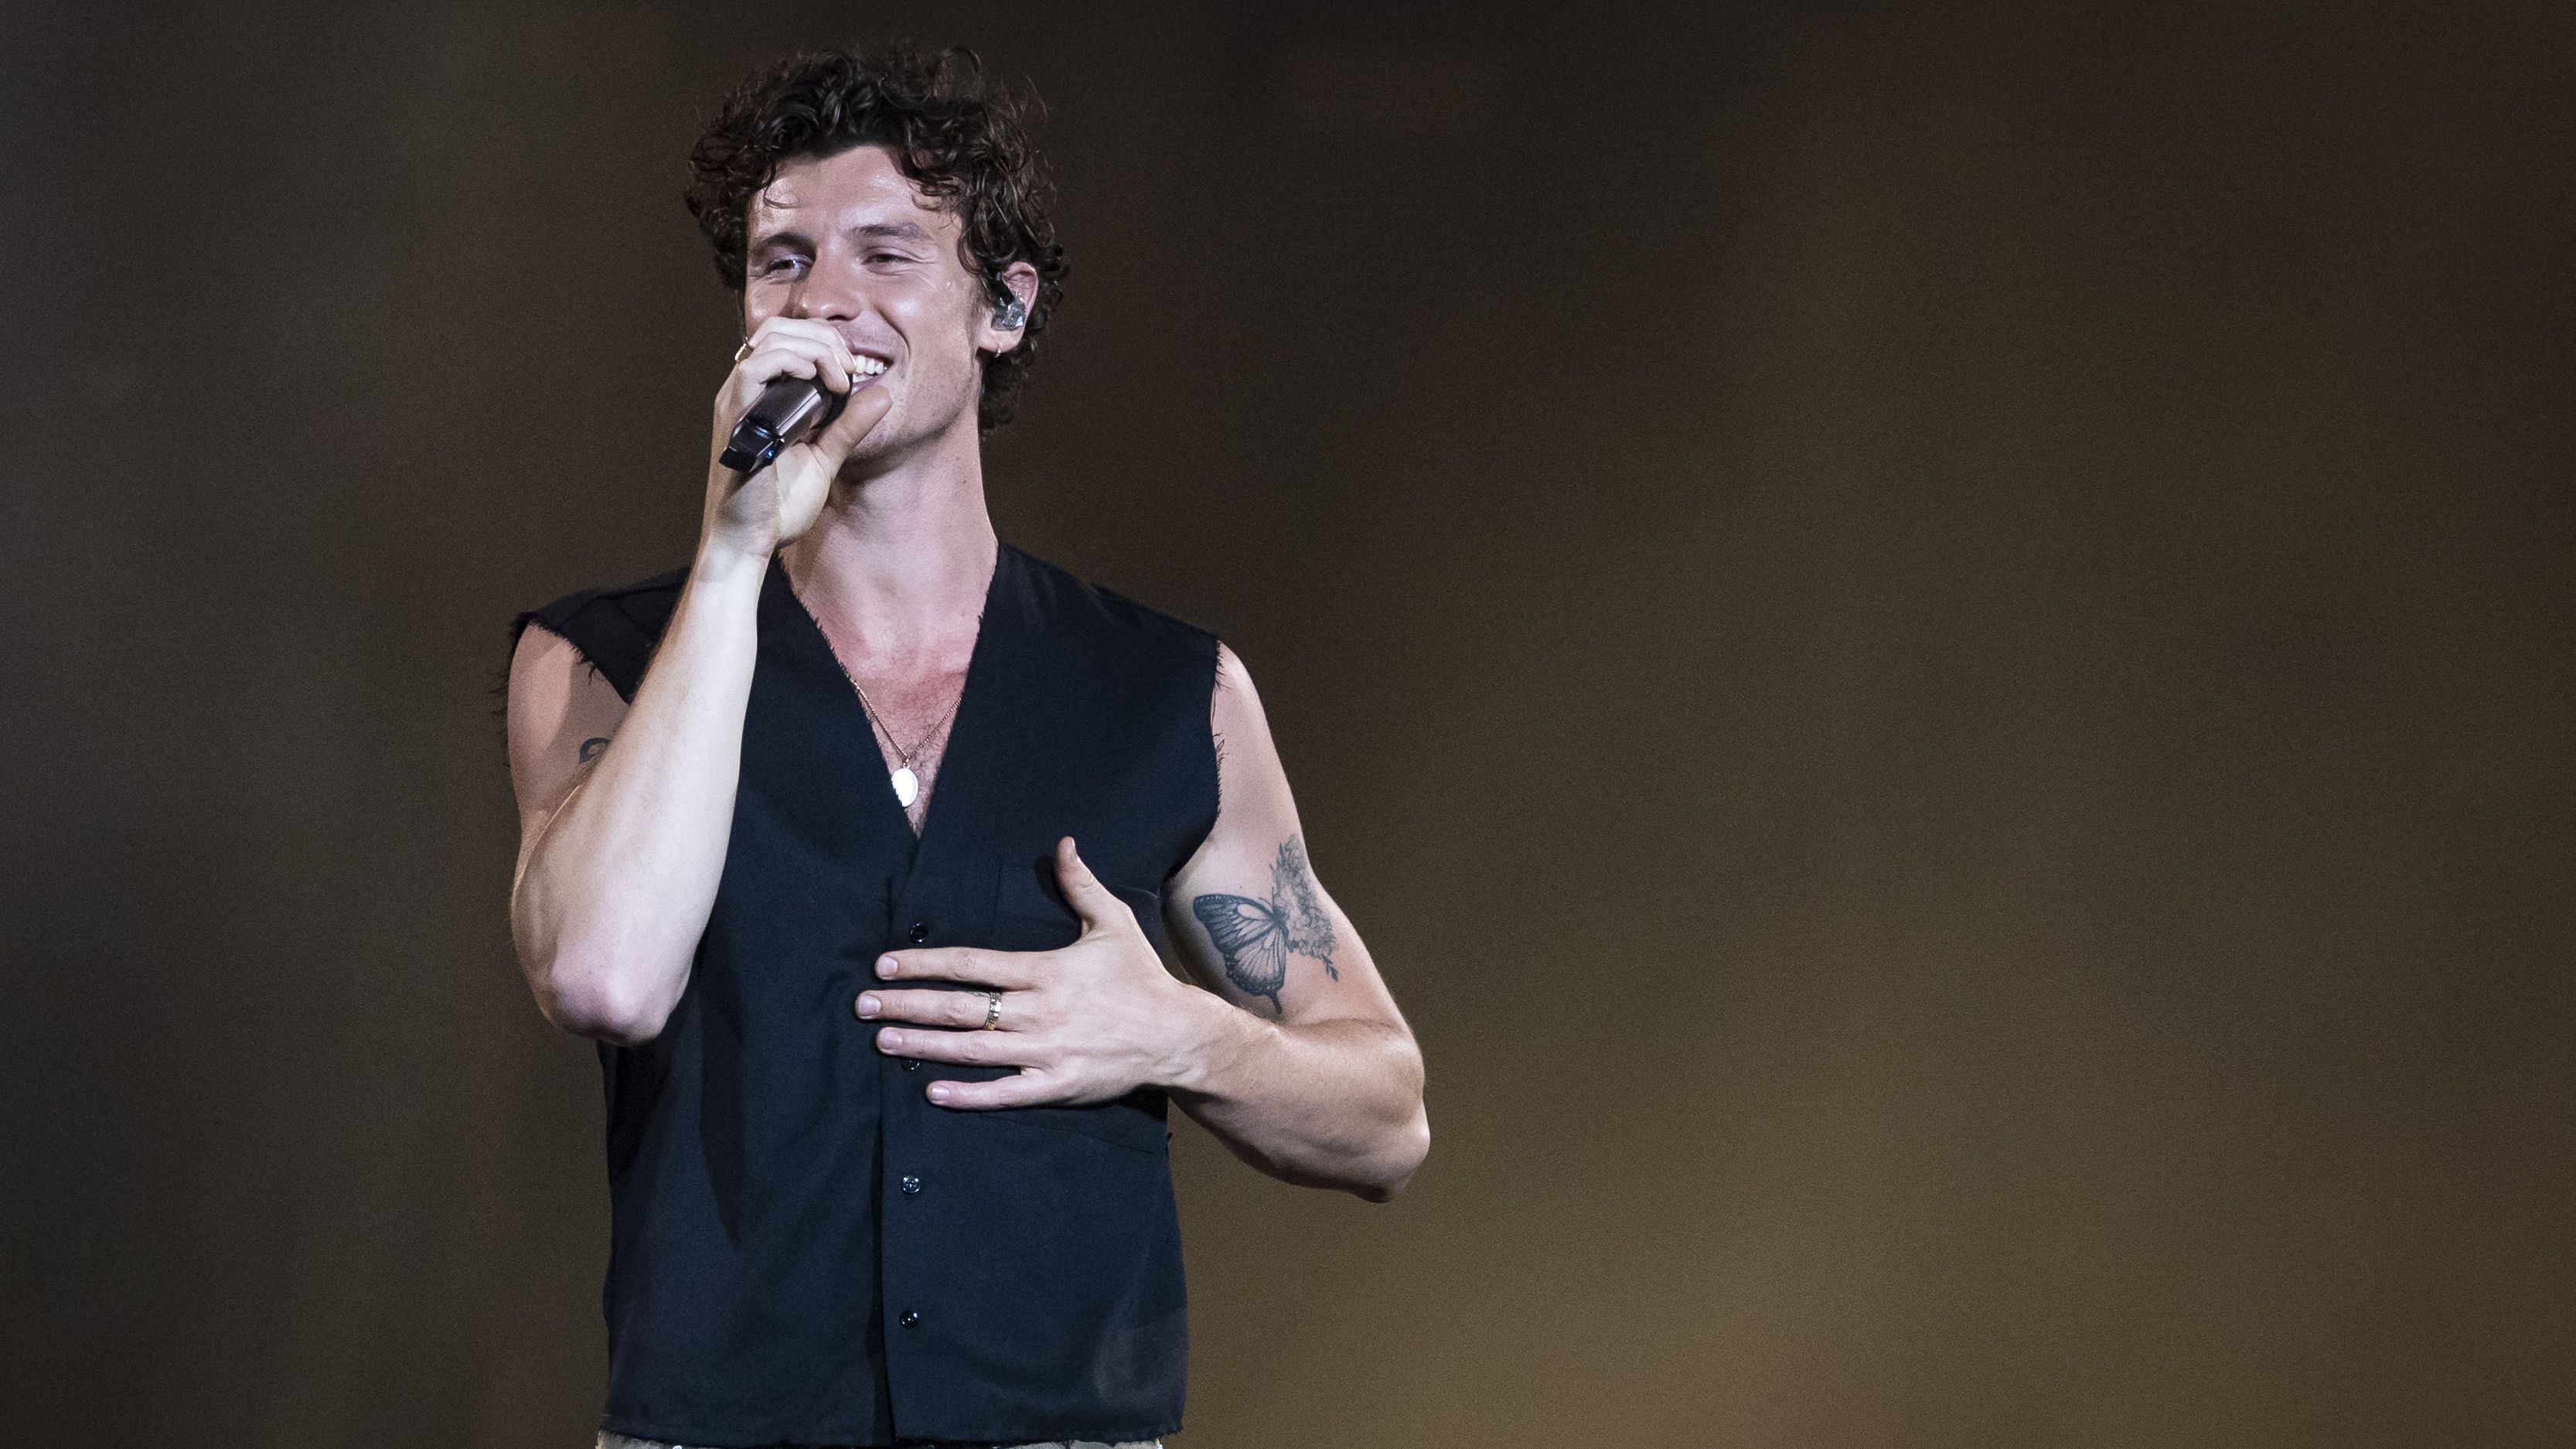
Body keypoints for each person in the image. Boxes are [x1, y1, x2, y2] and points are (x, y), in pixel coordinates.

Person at [503, 45, 1429, 1449]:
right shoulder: (603, 664)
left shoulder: (1163, 689)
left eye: (887, 254)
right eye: (783, 260)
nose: (825, 300)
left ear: (1002, 306)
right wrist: (735, 548)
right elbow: (604, 973)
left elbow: (1387, 1115)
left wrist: (1178, 1030)